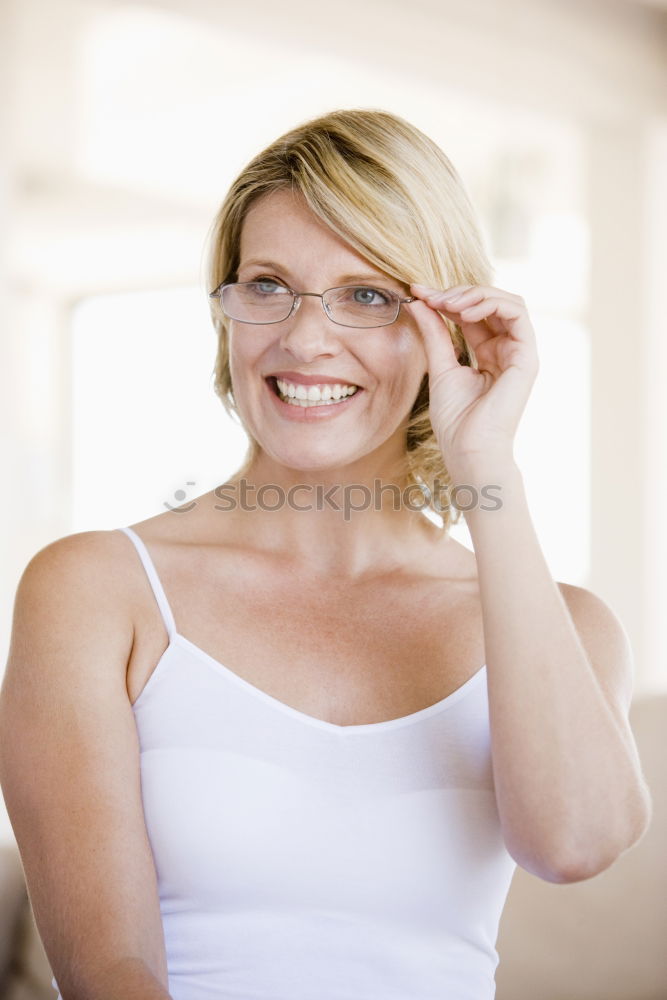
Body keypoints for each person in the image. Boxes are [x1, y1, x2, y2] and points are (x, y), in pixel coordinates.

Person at [0, 108, 652, 1000]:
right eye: (268, 286)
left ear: (447, 326)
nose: (305, 340)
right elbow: (110, 971)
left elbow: (574, 844)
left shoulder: (567, 629)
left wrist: (486, 466)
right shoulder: (94, 591)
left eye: (368, 295)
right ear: (224, 304)